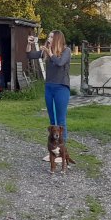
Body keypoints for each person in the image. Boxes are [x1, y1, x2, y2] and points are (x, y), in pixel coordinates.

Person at [27, 30, 72, 161]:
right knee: (52, 122)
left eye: (51, 37)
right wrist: (29, 44)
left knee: (61, 121)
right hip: (49, 88)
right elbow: (30, 55)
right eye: (49, 36)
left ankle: (62, 153)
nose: (49, 38)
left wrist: (49, 52)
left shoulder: (66, 51)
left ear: (57, 39)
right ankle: (53, 152)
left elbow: (59, 63)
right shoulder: (46, 52)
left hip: (61, 88)